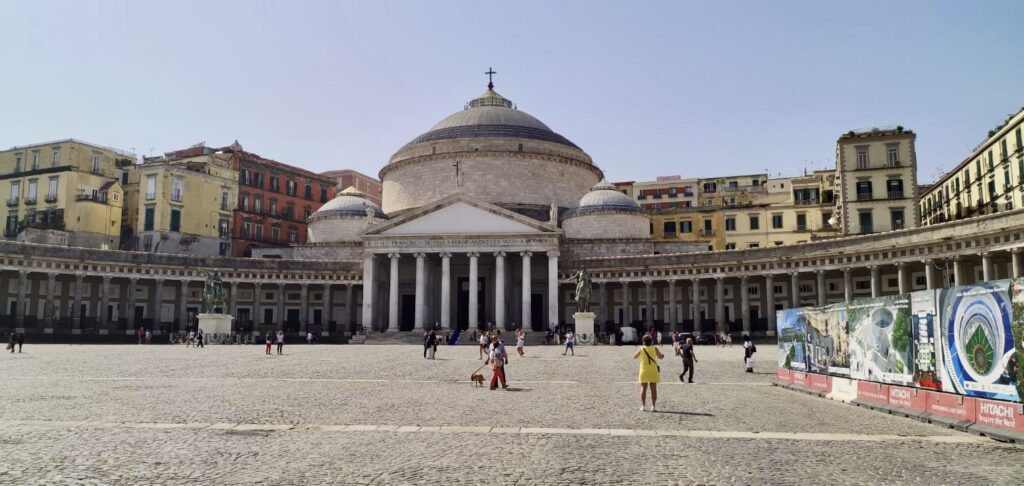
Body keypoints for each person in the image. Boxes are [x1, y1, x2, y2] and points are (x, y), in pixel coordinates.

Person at [633, 335, 664, 412]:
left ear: (643, 341)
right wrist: (662, 355)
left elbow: (635, 356)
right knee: (653, 389)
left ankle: (643, 406)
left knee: (643, 388)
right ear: (651, 341)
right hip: (653, 370)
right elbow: (660, 357)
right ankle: (653, 406)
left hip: (644, 370)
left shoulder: (641, 348)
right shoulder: (655, 348)